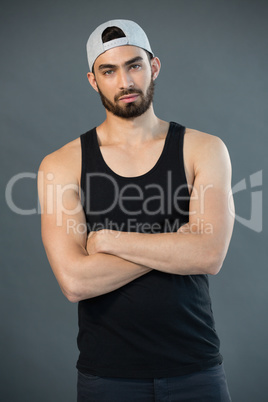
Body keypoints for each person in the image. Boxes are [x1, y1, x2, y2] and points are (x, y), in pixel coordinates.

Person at [38, 19, 234, 402]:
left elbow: (210, 255)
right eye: (109, 71)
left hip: (196, 369)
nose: (124, 81)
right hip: (107, 377)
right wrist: (180, 243)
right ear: (94, 81)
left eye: (134, 65)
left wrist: (112, 240)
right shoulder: (62, 164)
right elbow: (75, 281)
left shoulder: (203, 149)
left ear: (154, 66)